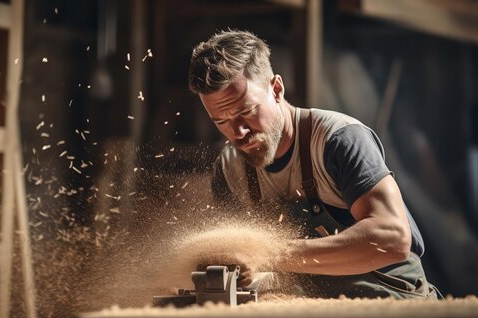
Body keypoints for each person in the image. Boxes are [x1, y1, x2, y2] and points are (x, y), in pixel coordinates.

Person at [188, 29, 440, 299]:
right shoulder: (229, 169)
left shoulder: (338, 140)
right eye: (222, 122)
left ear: (276, 89)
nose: (237, 133)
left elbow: (392, 238)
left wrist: (271, 253)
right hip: (310, 309)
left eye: (245, 112)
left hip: (392, 302)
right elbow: (236, 260)